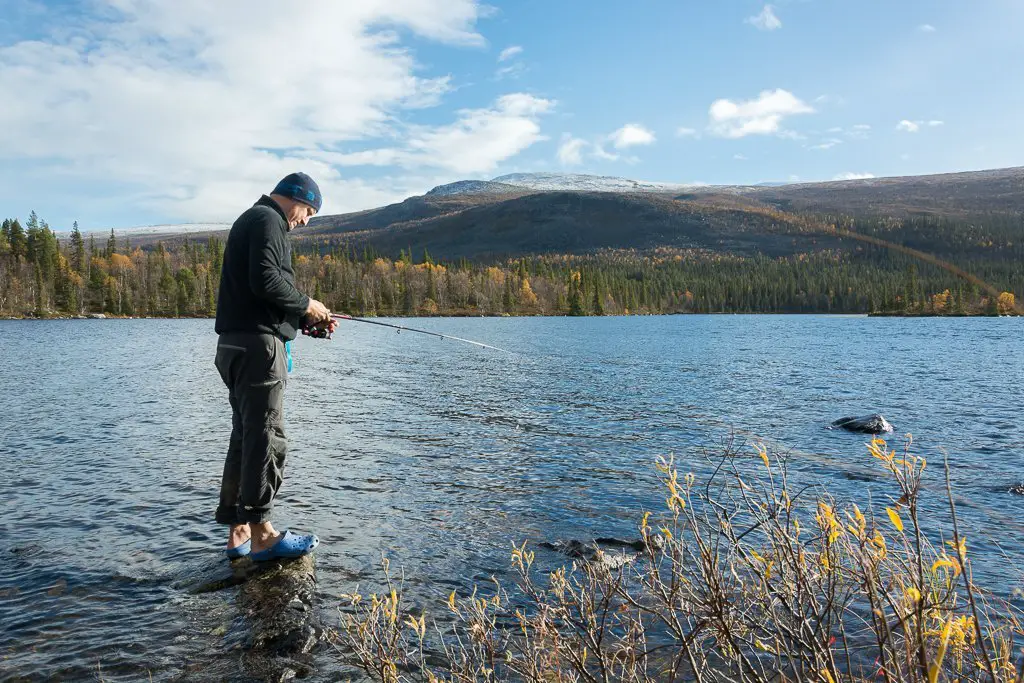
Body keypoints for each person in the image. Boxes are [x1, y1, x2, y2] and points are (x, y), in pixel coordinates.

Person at [213, 172, 337, 561]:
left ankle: (238, 532)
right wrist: (308, 304)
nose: (305, 221)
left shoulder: (251, 219)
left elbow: (257, 292)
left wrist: (301, 322)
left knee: (246, 435)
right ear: (295, 199)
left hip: (236, 343)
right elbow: (266, 279)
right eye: (309, 212)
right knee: (267, 435)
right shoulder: (269, 220)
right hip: (257, 349)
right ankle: (263, 532)